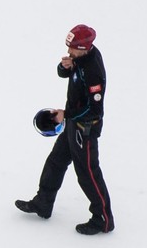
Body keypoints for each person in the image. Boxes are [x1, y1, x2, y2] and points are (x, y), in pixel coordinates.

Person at [16, 24, 114, 235]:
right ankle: (43, 203)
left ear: (84, 47)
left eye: (73, 48)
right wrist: (66, 68)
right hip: (73, 123)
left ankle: (103, 219)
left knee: (88, 174)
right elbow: (65, 74)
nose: (69, 52)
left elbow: (94, 108)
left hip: (85, 128)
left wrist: (66, 114)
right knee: (56, 161)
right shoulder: (81, 58)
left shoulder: (92, 70)